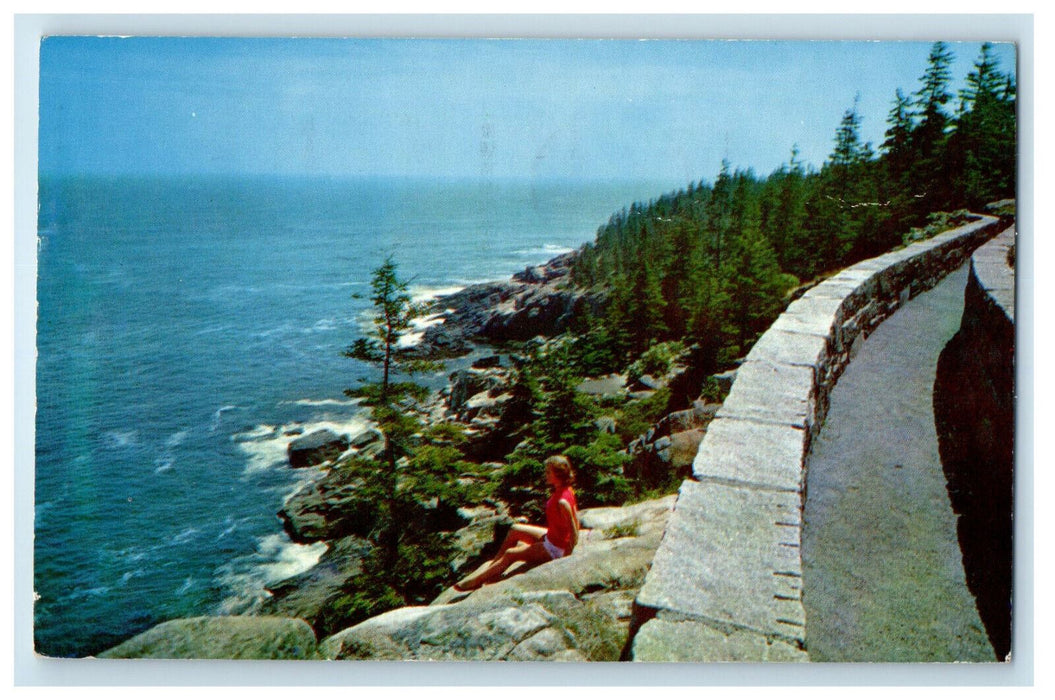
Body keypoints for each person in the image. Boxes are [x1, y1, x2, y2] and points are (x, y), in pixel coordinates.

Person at [454, 455, 579, 591]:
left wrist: (564, 560)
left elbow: (574, 533)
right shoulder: (566, 490)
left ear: (559, 473)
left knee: (511, 553)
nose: (546, 474)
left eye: (549, 472)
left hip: (555, 549)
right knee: (515, 529)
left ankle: (476, 581)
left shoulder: (562, 502)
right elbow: (576, 519)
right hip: (551, 538)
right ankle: (494, 567)